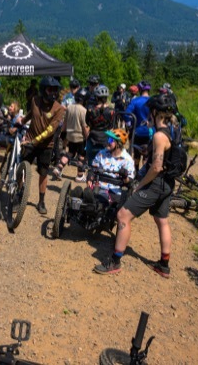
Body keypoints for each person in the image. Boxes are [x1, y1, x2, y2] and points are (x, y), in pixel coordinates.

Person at [95, 93, 178, 278]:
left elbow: (156, 167)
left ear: (155, 112)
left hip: (156, 184)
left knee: (123, 215)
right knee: (161, 220)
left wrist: (140, 184)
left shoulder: (158, 135)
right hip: (168, 184)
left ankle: (115, 261)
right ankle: (164, 264)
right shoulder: (172, 130)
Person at [23, 75, 66, 215]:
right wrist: (20, 123)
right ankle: (19, 195)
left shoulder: (59, 108)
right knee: (22, 169)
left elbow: (51, 130)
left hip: (46, 145)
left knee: (43, 173)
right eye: (50, 89)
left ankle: (41, 201)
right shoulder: (35, 100)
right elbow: (31, 114)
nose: (53, 92)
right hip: (29, 139)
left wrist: (34, 142)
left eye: (55, 90)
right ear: (43, 90)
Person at [54, 95, 87, 180]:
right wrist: (87, 136)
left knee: (70, 153)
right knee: (81, 155)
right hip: (80, 137)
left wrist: (63, 133)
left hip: (70, 135)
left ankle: (59, 167)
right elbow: (84, 126)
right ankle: (80, 175)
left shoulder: (69, 108)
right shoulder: (83, 110)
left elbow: (64, 123)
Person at [126, 82, 153, 167]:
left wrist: (130, 123)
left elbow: (127, 114)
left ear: (139, 90)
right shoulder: (153, 101)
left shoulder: (135, 101)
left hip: (137, 131)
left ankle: (136, 173)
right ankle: (144, 174)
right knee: (147, 156)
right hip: (151, 132)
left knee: (136, 155)